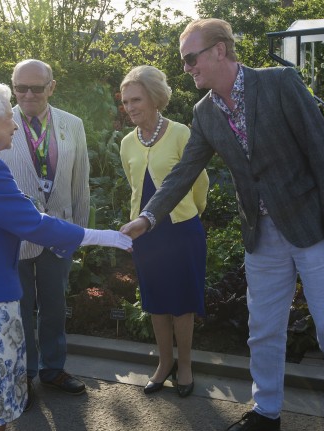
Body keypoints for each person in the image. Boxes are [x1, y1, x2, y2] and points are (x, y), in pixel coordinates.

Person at [120, 18, 324, 431]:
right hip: (261, 238)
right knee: (262, 331)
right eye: (183, 61)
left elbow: (322, 150)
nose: (186, 68)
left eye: (191, 58)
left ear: (219, 50)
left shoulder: (279, 82)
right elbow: (183, 173)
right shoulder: (204, 113)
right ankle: (266, 412)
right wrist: (148, 217)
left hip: (310, 228)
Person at [0, 79, 132, 431]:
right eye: (9, 116)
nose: (15, 123)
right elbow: (33, 225)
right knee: (1, 391)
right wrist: (103, 235)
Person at [0, 59, 91, 400]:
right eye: (21, 87)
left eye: (37, 87)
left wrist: (77, 232)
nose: (28, 94)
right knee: (18, 311)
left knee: (54, 307)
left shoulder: (72, 124)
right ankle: (23, 377)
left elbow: (81, 181)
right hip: (13, 236)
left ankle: (53, 369)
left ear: (51, 87)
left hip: (58, 232)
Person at [119, 65, 209, 397]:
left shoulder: (181, 133)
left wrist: (194, 214)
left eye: (136, 99)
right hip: (146, 235)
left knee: (182, 303)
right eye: (126, 101)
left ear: (155, 98)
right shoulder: (127, 143)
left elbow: (199, 181)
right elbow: (134, 188)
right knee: (155, 302)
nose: (130, 107)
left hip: (182, 230)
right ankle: (164, 362)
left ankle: (184, 364)